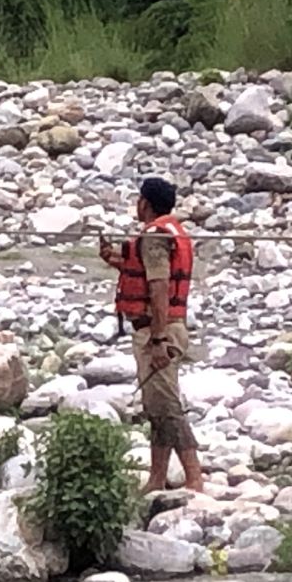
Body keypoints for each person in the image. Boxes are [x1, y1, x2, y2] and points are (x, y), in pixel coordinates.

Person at [99, 176, 204, 494]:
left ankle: (195, 479)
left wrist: (158, 341)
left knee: (168, 407)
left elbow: (158, 289)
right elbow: (149, 276)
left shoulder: (155, 237)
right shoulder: (170, 232)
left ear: (144, 203)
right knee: (156, 408)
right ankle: (157, 479)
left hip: (158, 332)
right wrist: (115, 261)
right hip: (166, 329)